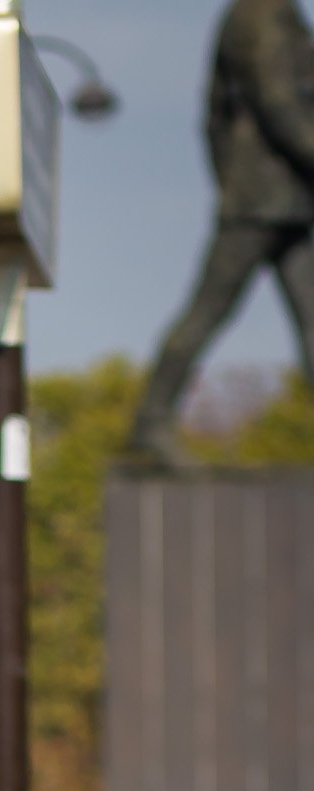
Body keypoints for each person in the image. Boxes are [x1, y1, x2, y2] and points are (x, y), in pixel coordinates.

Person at [130, 0, 314, 463]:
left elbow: (214, 117)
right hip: (260, 196)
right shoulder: (261, 14)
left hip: (279, 195)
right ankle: (151, 421)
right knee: (209, 310)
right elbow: (278, 104)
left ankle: (151, 421)